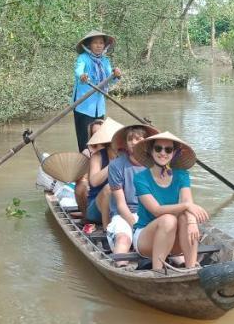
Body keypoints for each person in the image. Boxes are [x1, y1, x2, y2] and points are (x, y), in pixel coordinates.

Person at [129, 131, 209, 273]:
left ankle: (191, 269)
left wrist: (191, 222)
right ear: (151, 151)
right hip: (146, 239)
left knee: (186, 217)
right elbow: (156, 210)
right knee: (168, 219)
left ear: (174, 153)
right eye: (158, 148)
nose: (163, 153)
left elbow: (186, 200)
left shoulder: (182, 174)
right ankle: (157, 272)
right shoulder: (140, 178)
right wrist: (186, 206)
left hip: (173, 239)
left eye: (168, 149)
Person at [105, 123, 156, 265]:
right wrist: (137, 227)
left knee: (167, 236)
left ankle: (187, 267)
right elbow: (121, 205)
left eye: (138, 139)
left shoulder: (154, 165)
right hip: (124, 214)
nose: (134, 143)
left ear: (146, 143)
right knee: (123, 239)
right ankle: (121, 268)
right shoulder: (116, 166)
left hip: (150, 212)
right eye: (130, 139)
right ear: (126, 144)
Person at [72, 30, 121, 151]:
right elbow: (78, 71)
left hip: (99, 107)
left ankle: (98, 162)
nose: (99, 45)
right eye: (95, 43)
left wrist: (116, 75)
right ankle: (85, 161)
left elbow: (111, 78)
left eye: (101, 43)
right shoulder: (83, 58)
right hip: (83, 106)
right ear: (89, 45)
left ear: (105, 45)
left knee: (99, 139)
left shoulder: (105, 61)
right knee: (85, 141)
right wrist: (82, 75)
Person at [82, 117, 123, 230]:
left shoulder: (126, 155)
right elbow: (94, 182)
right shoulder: (98, 156)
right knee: (109, 188)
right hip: (96, 208)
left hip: (120, 203)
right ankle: (107, 228)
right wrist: (113, 164)